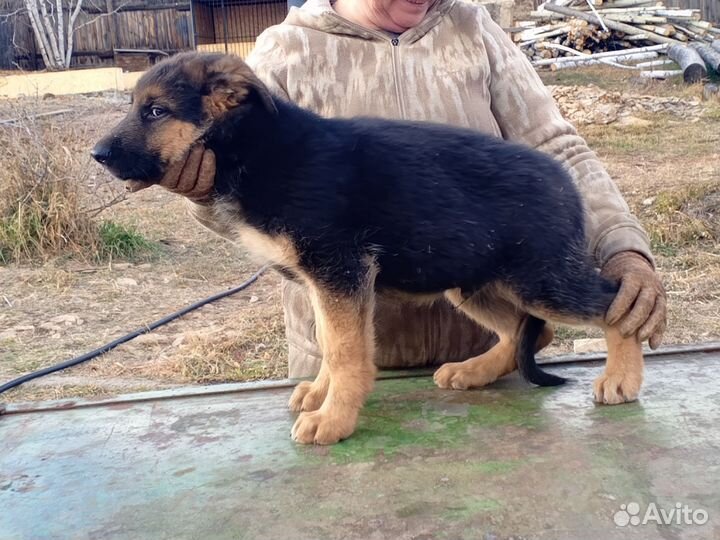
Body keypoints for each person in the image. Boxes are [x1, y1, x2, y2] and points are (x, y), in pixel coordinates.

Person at [149, 0, 667, 379]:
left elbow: (557, 147)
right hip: (340, 357)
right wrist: (206, 193)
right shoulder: (284, 52)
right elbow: (248, 195)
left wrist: (622, 245)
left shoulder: (473, 29)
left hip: (473, 330)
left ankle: (512, 343)